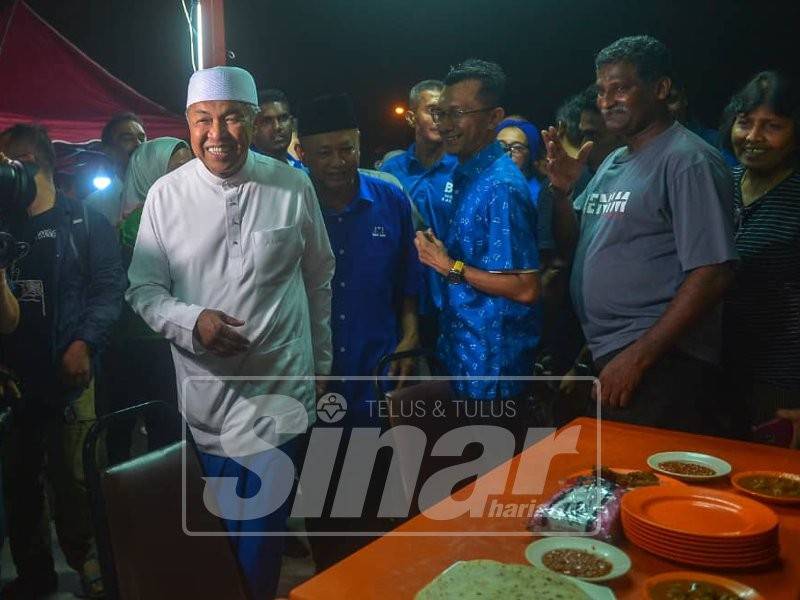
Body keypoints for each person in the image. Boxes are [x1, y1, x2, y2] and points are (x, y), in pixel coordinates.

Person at [126, 66, 334, 600]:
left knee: (261, 539)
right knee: (221, 533)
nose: (216, 134)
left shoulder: (291, 183)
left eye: (232, 118)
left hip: (281, 392)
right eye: (203, 120)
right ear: (187, 124)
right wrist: (194, 322)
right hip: (208, 399)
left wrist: (322, 370)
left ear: (254, 120)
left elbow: (318, 279)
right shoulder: (165, 197)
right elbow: (143, 292)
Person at [543, 35, 737, 433]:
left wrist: (640, 357)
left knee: (650, 486)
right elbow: (575, 241)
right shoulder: (616, 159)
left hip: (664, 363)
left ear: (660, 89)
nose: (607, 100)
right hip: (611, 354)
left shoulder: (687, 160)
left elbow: (714, 271)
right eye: (601, 90)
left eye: (621, 88)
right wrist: (561, 194)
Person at [295, 92, 421, 570]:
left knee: (381, 511)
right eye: (323, 152)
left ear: (360, 143)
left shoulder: (389, 198)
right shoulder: (289, 203)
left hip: (378, 378)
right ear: (301, 151)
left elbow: (408, 282)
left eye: (346, 148)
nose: (337, 162)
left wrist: (409, 335)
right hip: (315, 382)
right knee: (325, 512)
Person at [0, 124, 126, 599]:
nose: (9, 172)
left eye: (15, 161)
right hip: (15, 381)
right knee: (20, 483)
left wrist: (84, 344)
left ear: (38, 159)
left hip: (72, 374)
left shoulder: (84, 222)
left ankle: (90, 563)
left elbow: (109, 289)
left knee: (76, 480)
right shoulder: (4, 224)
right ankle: (35, 575)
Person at [414, 59, 541, 445]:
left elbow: (524, 287)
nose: (446, 123)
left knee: (492, 492)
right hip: (463, 361)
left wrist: (447, 264)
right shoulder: (467, 173)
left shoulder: (500, 186)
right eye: (440, 112)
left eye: (458, 113)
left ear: (494, 118)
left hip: (492, 375)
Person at [101, 138, 193, 464]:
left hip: (173, 343)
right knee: (144, 444)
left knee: (163, 442)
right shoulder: (137, 224)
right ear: (148, 174)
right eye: (177, 169)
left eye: (191, 165)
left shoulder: (191, 215)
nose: (190, 176)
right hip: (139, 347)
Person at [720, 71, 800, 436]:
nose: (753, 137)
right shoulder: (720, 184)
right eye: (745, 122)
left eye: (773, 126)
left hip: (781, 386)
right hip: (712, 375)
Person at [381, 79, 457, 351]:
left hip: (454, 295)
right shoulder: (389, 173)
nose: (441, 119)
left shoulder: (464, 171)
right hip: (401, 301)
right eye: (434, 111)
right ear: (412, 117)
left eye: (447, 112)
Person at [84, 112, 147, 225]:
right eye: (127, 139)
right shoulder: (93, 205)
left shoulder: (162, 192)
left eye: (142, 138)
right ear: (108, 150)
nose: (138, 144)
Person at [252, 88, 304, 168]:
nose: (277, 127)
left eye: (283, 118)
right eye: (267, 121)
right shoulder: (244, 172)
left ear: (292, 123)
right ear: (253, 128)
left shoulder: (301, 170)